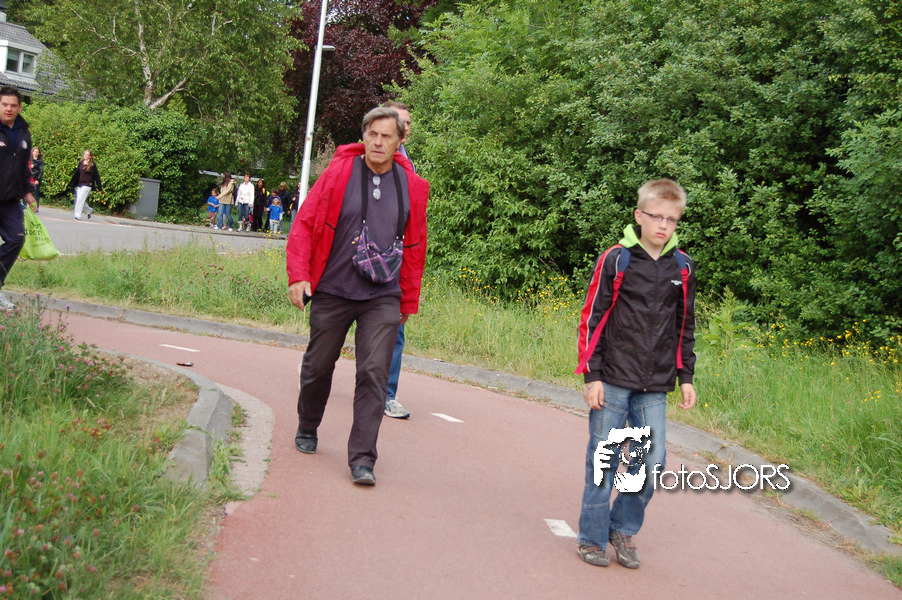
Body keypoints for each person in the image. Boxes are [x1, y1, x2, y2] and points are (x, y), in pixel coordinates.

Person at [287, 106, 429, 486]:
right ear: (364, 136)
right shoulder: (339, 174)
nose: (378, 142)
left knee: (373, 373)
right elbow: (305, 224)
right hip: (334, 287)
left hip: (383, 294)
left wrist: (408, 300)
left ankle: (363, 459)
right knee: (318, 365)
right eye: (372, 134)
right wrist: (299, 276)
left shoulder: (412, 186)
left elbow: (415, 246)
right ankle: (308, 423)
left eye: (386, 136)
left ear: (400, 141)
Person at [574, 178, 697, 569]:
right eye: (656, 217)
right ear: (639, 215)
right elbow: (592, 317)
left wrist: (686, 376)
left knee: (653, 461)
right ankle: (591, 539)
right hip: (611, 378)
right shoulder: (617, 259)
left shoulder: (682, 267)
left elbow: (684, 325)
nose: (663, 225)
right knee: (604, 461)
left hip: (655, 384)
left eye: (671, 219)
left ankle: (621, 527)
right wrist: (591, 375)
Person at [381, 101, 414, 419]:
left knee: (395, 328)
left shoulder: (408, 165)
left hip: (394, 261)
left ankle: (386, 395)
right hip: (358, 258)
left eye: (409, 123)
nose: (406, 128)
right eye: (401, 121)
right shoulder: (365, 159)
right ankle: (315, 368)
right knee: (336, 325)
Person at [0, 85, 37, 311]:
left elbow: (25, 166)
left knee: (16, 240)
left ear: (20, 107)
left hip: (11, 200)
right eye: (4, 104)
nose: (9, 109)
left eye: (13, 105)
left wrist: (28, 192)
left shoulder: (24, 131)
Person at [68, 150, 102, 220]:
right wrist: (71, 184)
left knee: (80, 200)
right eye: (84, 154)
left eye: (87, 154)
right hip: (80, 184)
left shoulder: (92, 165)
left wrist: (99, 188)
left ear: (90, 156)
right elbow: (76, 174)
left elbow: (97, 176)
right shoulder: (81, 163)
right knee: (79, 200)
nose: (85, 156)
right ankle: (89, 210)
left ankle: (78, 215)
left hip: (87, 185)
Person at [30, 146, 43, 213]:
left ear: (38, 153)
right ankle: (25, 206)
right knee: (27, 193)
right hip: (29, 178)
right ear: (32, 152)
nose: (35, 153)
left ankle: (36, 208)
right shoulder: (29, 160)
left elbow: (41, 171)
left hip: (36, 178)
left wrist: (38, 179)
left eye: (37, 152)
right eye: (34, 151)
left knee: (36, 194)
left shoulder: (40, 161)